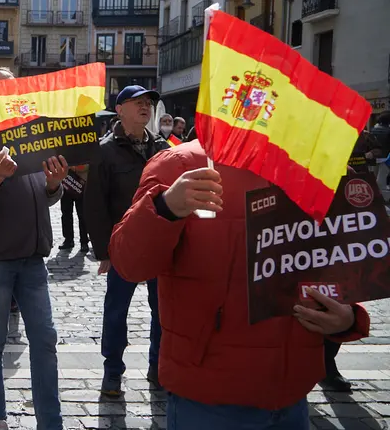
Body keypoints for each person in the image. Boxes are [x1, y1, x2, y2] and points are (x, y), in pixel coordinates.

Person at [108, 140, 371, 429]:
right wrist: (165, 207)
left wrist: (346, 317)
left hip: (293, 395)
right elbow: (129, 264)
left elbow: (334, 267)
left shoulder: (319, 167)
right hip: (207, 400)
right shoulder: (180, 163)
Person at [0, 67, 67, 430]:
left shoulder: (35, 131)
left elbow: (45, 195)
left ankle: (50, 422)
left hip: (34, 258)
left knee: (45, 339)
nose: (5, 93)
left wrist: (54, 186)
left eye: (10, 86)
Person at [85, 85, 169, 395]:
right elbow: (94, 204)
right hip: (124, 246)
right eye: (138, 103)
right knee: (117, 311)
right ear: (120, 109)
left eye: (148, 103)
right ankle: (112, 371)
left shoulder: (163, 148)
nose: (145, 107)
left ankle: (157, 367)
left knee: (163, 310)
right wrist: (103, 250)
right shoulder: (104, 151)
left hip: (160, 243)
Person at [58, 164, 89, 252]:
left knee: (82, 215)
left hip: (81, 184)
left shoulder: (84, 151)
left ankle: (84, 241)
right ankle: (68, 240)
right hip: (66, 183)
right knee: (66, 213)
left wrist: (74, 167)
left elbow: (88, 165)